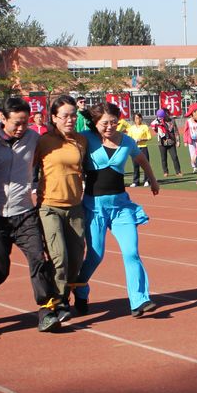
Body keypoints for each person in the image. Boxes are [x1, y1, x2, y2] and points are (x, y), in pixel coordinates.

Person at [0, 97, 62, 332]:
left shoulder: (33, 138)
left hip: (25, 213)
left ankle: (46, 310)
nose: (21, 128)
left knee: (38, 259)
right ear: (2, 118)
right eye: (16, 123)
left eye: (25, 122)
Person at [73, 102, 159, 318]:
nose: (110, 127)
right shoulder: (86, 138)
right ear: (95, 123)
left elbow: (141, 159)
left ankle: (139, 300)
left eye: (114, 122)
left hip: (121, 207)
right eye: (105, 123)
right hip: (94, 207)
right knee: (95, 256)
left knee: (131, 252)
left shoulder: (127, 141)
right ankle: (80, 289)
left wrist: (153, 180)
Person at [34, 95, 87, 322]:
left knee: (76, 258)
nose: (70, 120)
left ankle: (70, 293)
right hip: (49, 206)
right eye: (64, 116)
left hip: (75, 207)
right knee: (59, 256)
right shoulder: (43, 141)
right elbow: (26, 167)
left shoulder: (81, 141)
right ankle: (58, 300)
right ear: (54, 117)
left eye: (73, 115)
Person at [151, 108, 182, 177]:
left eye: (167, 113)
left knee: (174, 157)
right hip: (162, 143)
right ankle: (165, 172)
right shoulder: (158, 122)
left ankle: (178, 171)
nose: (166, 115)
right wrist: (156, 125)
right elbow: (156, 130)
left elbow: (176, 131)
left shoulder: (172, 121)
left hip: (171, 142)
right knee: (163, 158)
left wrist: (178, 141)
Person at [127, 113, 152, 186]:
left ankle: (147, 180)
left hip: (143, 147)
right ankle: (135, 181)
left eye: (139, 118)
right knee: (135, 165)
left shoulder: (145, 127)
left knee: (145, 164)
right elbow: (129, 138)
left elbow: (149, 137)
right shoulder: (131, 128)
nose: (138, 120)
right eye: (136, 118)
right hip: (134, 148)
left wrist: (141, 139)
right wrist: (133, 141)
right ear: (134, 119)